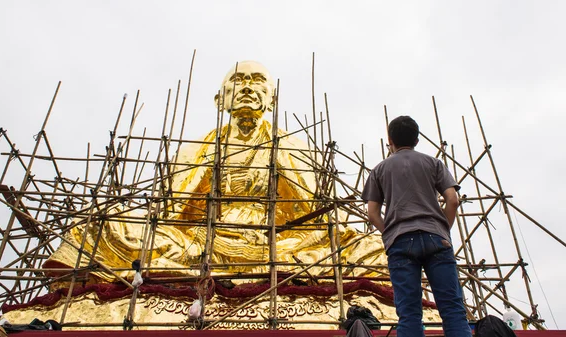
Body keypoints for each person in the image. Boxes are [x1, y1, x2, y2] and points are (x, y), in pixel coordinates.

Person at [45, 61, 385, 282]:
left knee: (375, 250)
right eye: (238, 80)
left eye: (258, 82)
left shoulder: (293, 148)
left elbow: (314, 216)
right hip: (199, 242)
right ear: (220, 99)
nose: (249, 87)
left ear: (272, 99)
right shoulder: (195, 150)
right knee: (94, 226)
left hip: (279, 242)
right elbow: (166, 215)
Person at [361, 116, 471, 337]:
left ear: (389, 140)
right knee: (452, 310)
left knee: (409, 313)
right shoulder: (434, 163)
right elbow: (453, 200)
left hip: (400, 242)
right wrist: (443, 229)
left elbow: (372, 213)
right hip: (436, 237)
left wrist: (390, 233)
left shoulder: (380, 170)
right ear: (417, 140)